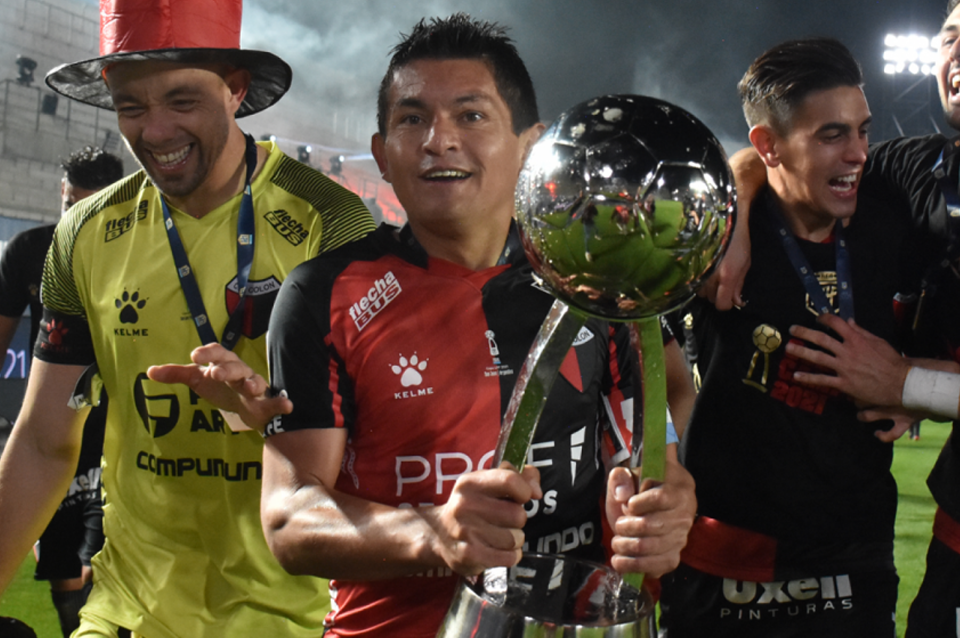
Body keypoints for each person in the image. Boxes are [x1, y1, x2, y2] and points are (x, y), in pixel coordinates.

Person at [194, 14, 698, 638]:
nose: (439, 141)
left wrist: (664, 508)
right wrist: (433, 531)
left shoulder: (593, 279)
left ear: (531, 146)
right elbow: (290, 517)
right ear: (382, 155)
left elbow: (661, 426)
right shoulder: (323, 293)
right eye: (412, 119)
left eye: (471, 115)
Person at [0, 0, 376, 636]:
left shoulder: (332, 224)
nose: (155, 132)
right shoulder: (84, 234)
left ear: (235, 90)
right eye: (130, 107)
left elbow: (380, 446)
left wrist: (267, 419)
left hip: (292, 619)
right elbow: (43, 440)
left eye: (182, 101)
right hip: (128, 610)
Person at [658, 38, 915, 637]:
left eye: (863, 130)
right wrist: (734, 207)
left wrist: (910, 384)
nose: (858, 153)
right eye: (831, 135)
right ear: (768, 145)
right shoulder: (713, 239)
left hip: (854, 554)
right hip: (723, 555)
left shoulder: (889, 214)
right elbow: (638, 365)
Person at [0, 146, 123, 637]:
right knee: (63, 572)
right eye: (71, 204)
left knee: (115, 565)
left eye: (90, 206)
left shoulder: (140, 255)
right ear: (61, 194)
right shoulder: (30, 251)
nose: (77, 217)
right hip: (53, 425)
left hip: (122, 433)